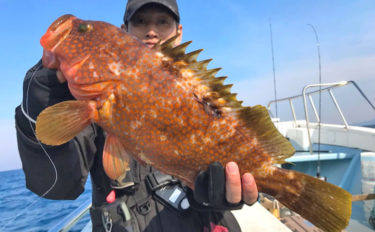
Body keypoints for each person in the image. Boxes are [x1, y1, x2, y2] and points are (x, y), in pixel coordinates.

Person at [15, 0, 258, 231]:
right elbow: (56, 186)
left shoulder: (199, 96)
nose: (151, 31)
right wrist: (37, 106)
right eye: (140, 21)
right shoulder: (92, 106)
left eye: (163, 22)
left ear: (179, 31)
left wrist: (219, 196)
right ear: (124, 30)